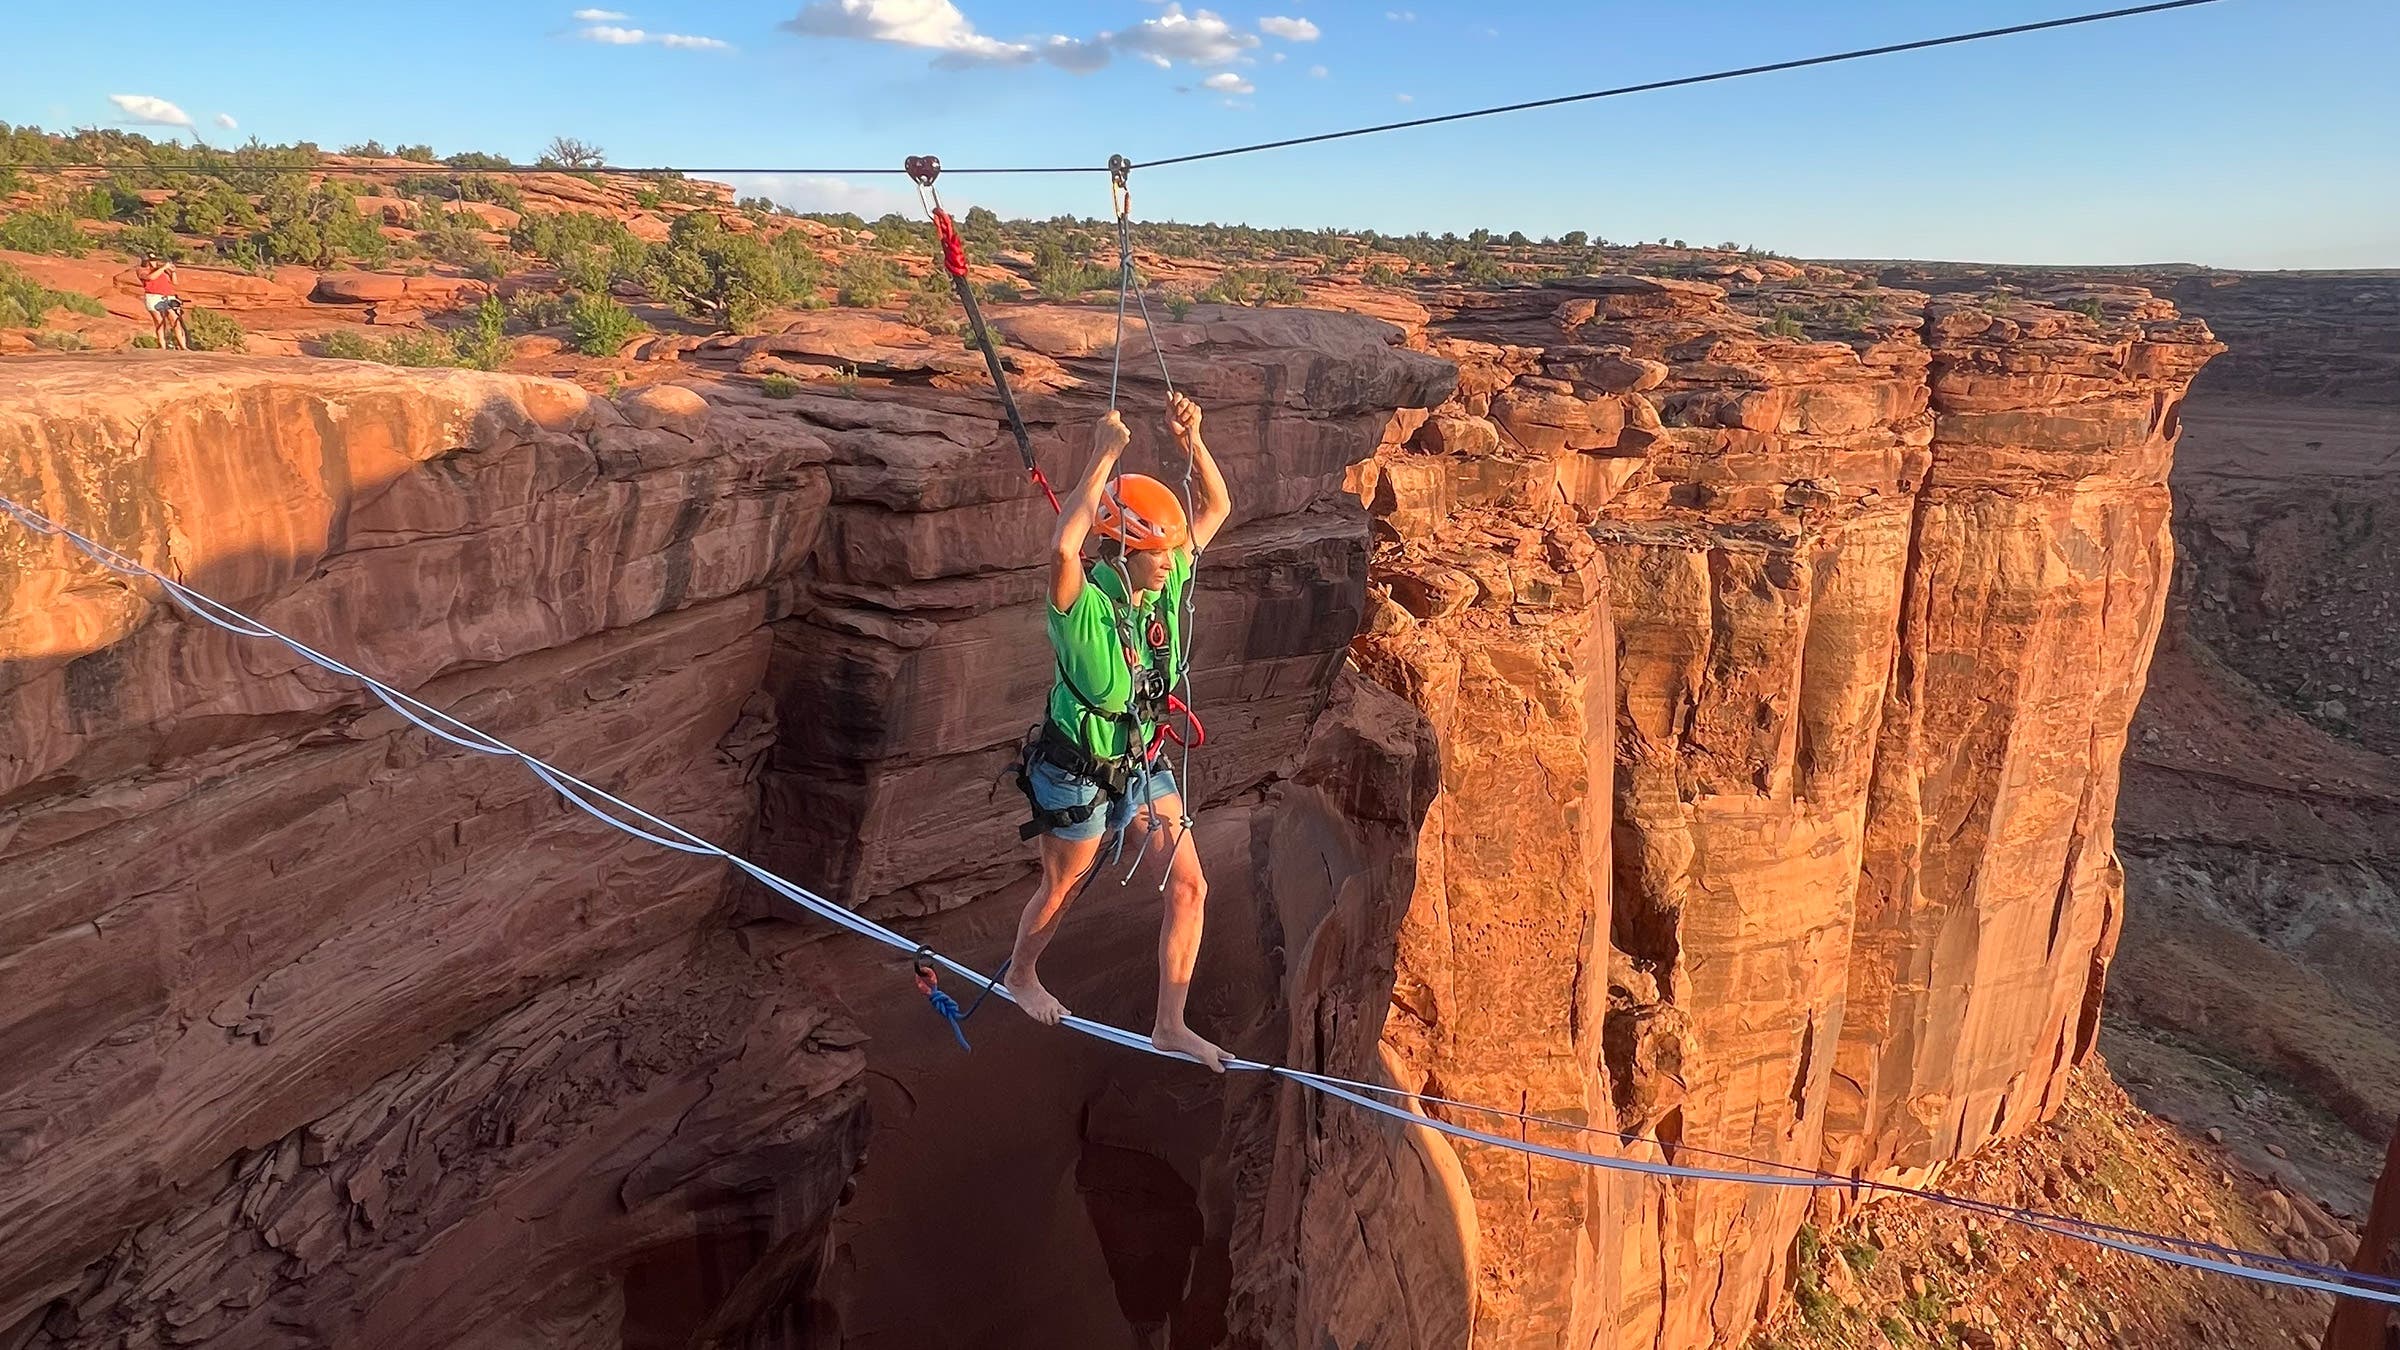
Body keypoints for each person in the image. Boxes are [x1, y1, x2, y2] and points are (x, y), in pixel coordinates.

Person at [1005, 391, 1232, 1072]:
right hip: (1076, 769)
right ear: (1126, 548)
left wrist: (1194, 441)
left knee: (1190, 887)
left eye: (1169, 552)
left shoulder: (1160, 589)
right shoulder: (1082, 606)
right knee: (1063, 889)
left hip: (1140, 757)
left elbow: (1217, 508)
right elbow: (1062, 546)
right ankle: (1021, 975)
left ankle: (1170, 1025)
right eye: (1156, 552)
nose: (1170, 562)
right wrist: (1104, 454)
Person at [134, 254, 188, 350]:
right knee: (160, 322)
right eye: (151, 260)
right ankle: (162, 346)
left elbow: (174, 282)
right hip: (153, 297)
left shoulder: (162, 271)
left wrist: (173, 272)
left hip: (168, 297)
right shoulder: (142, 270)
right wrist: (163, 268)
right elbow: (150, 278)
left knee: (175, 320)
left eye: (155, 260)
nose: (154, 262)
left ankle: (183, 346)